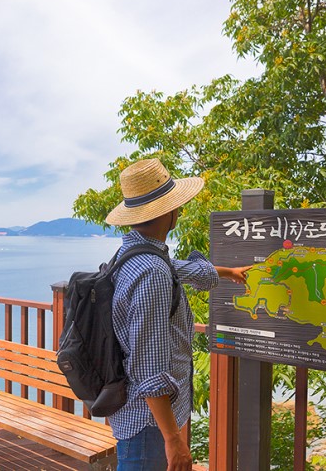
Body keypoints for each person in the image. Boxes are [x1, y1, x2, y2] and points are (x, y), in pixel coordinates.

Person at [105, 158, 249, 471]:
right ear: (168, 212)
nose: (179, 211)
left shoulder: (134, 255)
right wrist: (173, 438)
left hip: (140, 414)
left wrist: (227, 272)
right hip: (150, 425)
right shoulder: (152, 270)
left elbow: (180, 269)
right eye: (177, 206)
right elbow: (149, 365)